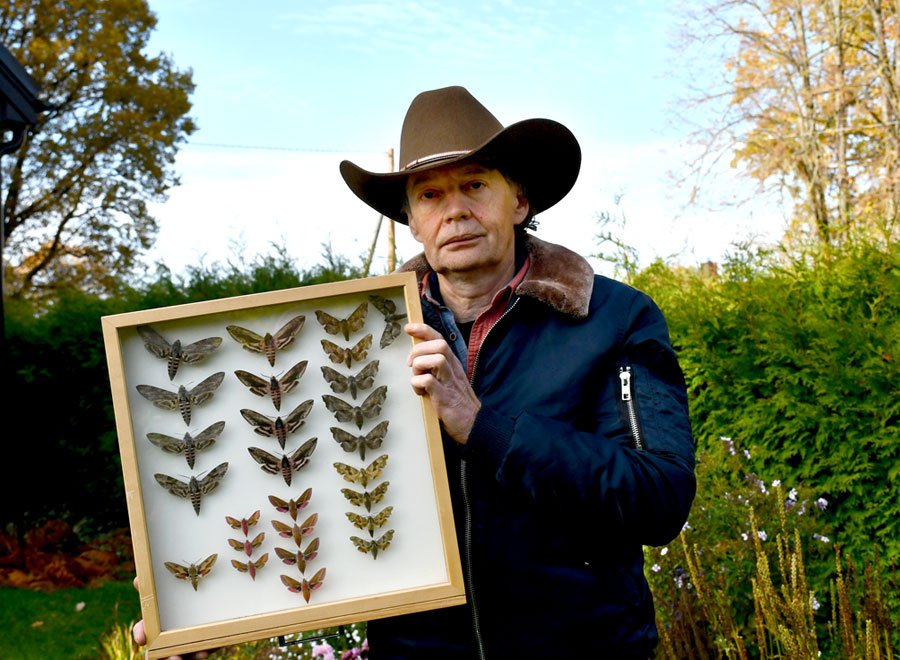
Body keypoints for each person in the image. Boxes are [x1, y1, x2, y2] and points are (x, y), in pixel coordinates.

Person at [338, 86, 696, 658]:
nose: (454, 209)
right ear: (411, 222)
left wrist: (485, 428)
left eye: (475, 185)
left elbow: (659, 496)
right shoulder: (353, 340)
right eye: (429, 195)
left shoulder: (615, 319)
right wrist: (205, 615)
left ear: (519, 201)